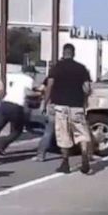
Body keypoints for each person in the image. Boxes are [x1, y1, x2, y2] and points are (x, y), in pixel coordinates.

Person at [43, 44, 93, 175]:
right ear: (73, 53)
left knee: (63, 134)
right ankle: (84, 157)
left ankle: (65, 163)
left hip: (60, 106)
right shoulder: (81, 68)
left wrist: (45, 102)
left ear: (63, 53)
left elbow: (50, 86)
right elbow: (87, 88)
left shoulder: (56, 68)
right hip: (76, 105)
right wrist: (84, 100)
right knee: (82, 133)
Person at [0, 68, 36, 155]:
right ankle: (1, 143)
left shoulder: (16, 77)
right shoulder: (29, 79)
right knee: (17, 130)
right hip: (16, 106)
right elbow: (27, 92)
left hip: (5, 103)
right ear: (30, 73)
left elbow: (1, 76)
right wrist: (39, 93)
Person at [34, 65, 56, 162]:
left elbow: (43, 89)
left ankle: (41, 155)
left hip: (53, 105)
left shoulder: (51, 77)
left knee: (48, 132)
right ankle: (89, 153)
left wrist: (44, 104)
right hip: (69, 105)